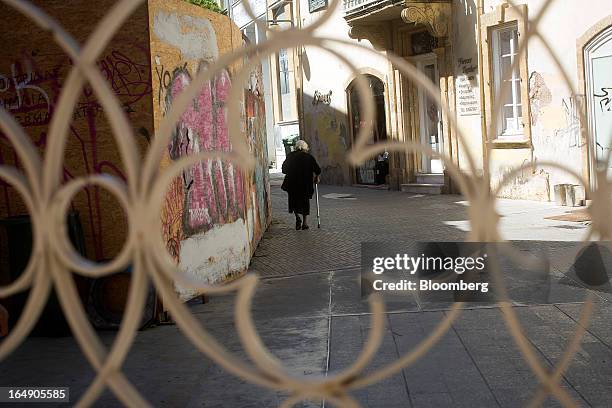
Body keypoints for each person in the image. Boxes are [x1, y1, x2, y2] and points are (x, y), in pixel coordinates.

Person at [281, 140, 321, 230]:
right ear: (305, 147)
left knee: (293, 201)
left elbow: (284, 169)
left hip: (292, 184)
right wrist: (317, 177)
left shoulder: (290, 156)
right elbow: (318, 169)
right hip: (305, 184)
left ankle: (297, 218)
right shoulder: (309, 157)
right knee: (305, 202)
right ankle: (305, 223)